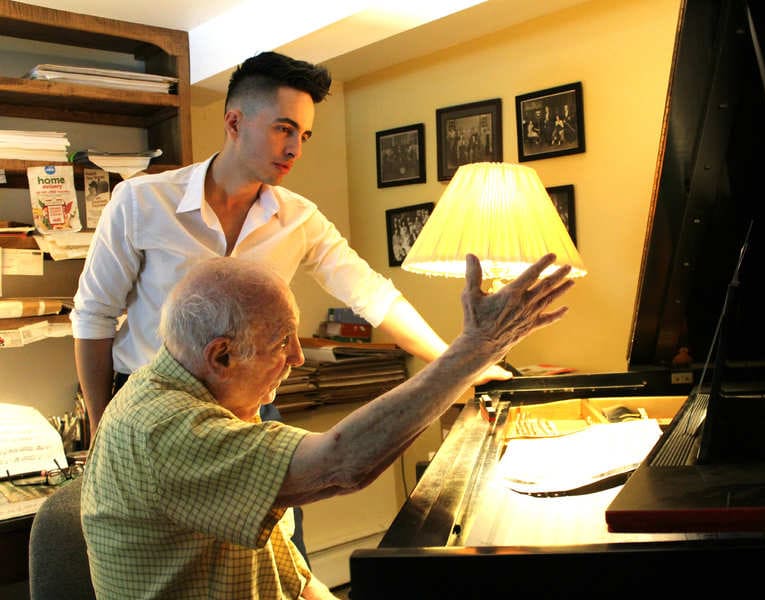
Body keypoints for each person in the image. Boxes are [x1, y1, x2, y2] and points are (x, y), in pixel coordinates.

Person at [70, 51, 510, 561]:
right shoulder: (142, 202)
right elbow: (94, 317)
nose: (295, 147)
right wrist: (103, 428)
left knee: (280, 556)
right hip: (155, 415)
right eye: (284, 129)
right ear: (234, 122)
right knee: (177, 563)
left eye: (304, 135)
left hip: (250, 407)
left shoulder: (300, 219)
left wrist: (457, 361)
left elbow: (370, 294)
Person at [81, 253, 573, 599]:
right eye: (281, 343)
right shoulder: (164, 429)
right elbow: (342, 464)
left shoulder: (204, 398)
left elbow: (288, 577)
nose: (297, 357)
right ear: (222, 355)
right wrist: (472, 353)